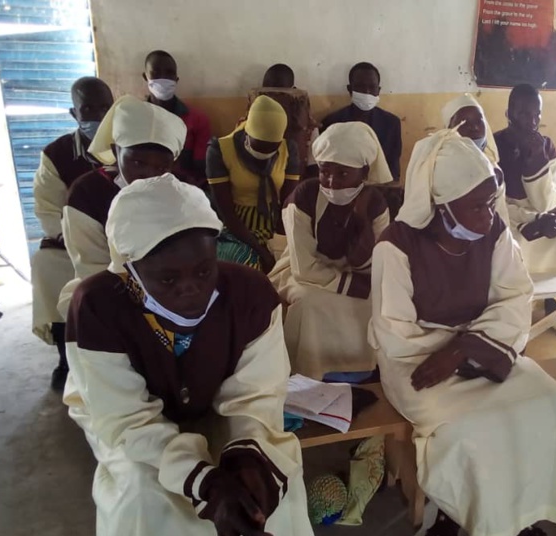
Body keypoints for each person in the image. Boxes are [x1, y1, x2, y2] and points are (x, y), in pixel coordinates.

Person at [63, 174, 348, 536]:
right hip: (127, 422)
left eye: (203, 270)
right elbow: (127, 419)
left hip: (216, 405)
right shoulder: (96, 307)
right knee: (139, 496)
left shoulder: (251, 294)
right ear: (130, 268)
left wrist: (244, 460)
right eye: (167, 279)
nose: (190, 289)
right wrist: (207, 483)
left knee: (278, 480)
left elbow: (255, 396)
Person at [369, 129, 556, 536]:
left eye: (491, 201)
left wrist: (464, 349)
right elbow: (394, 332)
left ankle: (521, 512)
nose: (490, 214)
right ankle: (450, 518)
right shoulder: (396, 244)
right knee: (468, 431)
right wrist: (454, 351)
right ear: (441, 204)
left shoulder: (495, 230)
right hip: (416, 362)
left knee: (552, 407)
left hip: (486, 348)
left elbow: (515, 297)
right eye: (477, 205)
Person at [271, 122, 391, 380]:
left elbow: (379, 263)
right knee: (309, 303)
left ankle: (359, 370)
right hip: (302, 272)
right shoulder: (304, 196)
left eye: (343, 173)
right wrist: (351, 285)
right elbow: (303, 268)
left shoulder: (376, 203)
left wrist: (362, 222)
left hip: (355, 275)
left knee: (379, 302)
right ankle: (308, 371)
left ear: (364, 172)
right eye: (325, 171)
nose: (332, 182)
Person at [58, 95, 187, 316]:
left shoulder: (180, 192)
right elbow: (92, 266)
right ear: (115, 150)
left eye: (162, 167)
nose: (149, 174)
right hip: (110, 289)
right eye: (137, 162)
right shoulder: (87, 195)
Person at [31, 76, 113, 390]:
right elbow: (48, 208)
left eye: (104, 107)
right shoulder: (57, 155)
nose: (97, 115)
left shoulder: (126, 143)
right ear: (73, 113)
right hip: (76, 239)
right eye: (88, 108)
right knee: (47, 265)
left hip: (125, 235)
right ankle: (66, 356)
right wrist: (76, 238)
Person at [493, 84, 556, 342]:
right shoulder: (494, 145)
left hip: (536, 213)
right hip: (505, 215)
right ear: (508, 113)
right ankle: (518, 311)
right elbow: (492, 198)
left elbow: (549, 200)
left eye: (536, 114)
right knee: (513, 242)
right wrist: (526, 223)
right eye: (523, 113)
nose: (531, 121)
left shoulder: (546, 146)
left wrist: (535, 161)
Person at [207, 95, 301, 273]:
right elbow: (226, 213)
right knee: (248, 266)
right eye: (260, 147)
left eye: (272, 148)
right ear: (247, 134)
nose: (265, 154)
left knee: (294, 265)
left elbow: (288, 203)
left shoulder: (288, 149)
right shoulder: (220, 150)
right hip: (235, 228)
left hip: (278, 223)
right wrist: (262, 251)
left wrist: (279, 244)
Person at [321, 62, 402, 182]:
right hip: (342, 187)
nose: (367, 92)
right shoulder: (333, 123)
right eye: (360, 87)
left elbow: (393, 167)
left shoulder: (391, 123)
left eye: (372, 87)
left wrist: (389, 189)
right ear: (350, 89)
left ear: (378, 90)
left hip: (379, 186)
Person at [143, 50, 211, 188]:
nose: (163, 78)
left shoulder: (197, 119)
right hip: (144, 186)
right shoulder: (134, 118)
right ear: (145, 76)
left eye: (169, 73)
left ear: (176, 79)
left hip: (184, 187)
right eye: (156, 72)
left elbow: (200, 167)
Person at [441, 93, 499, 165]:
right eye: (464, 123)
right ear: (449, 128)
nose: (474, 128)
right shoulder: (441, 164)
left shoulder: (491, 165)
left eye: (479, 121)